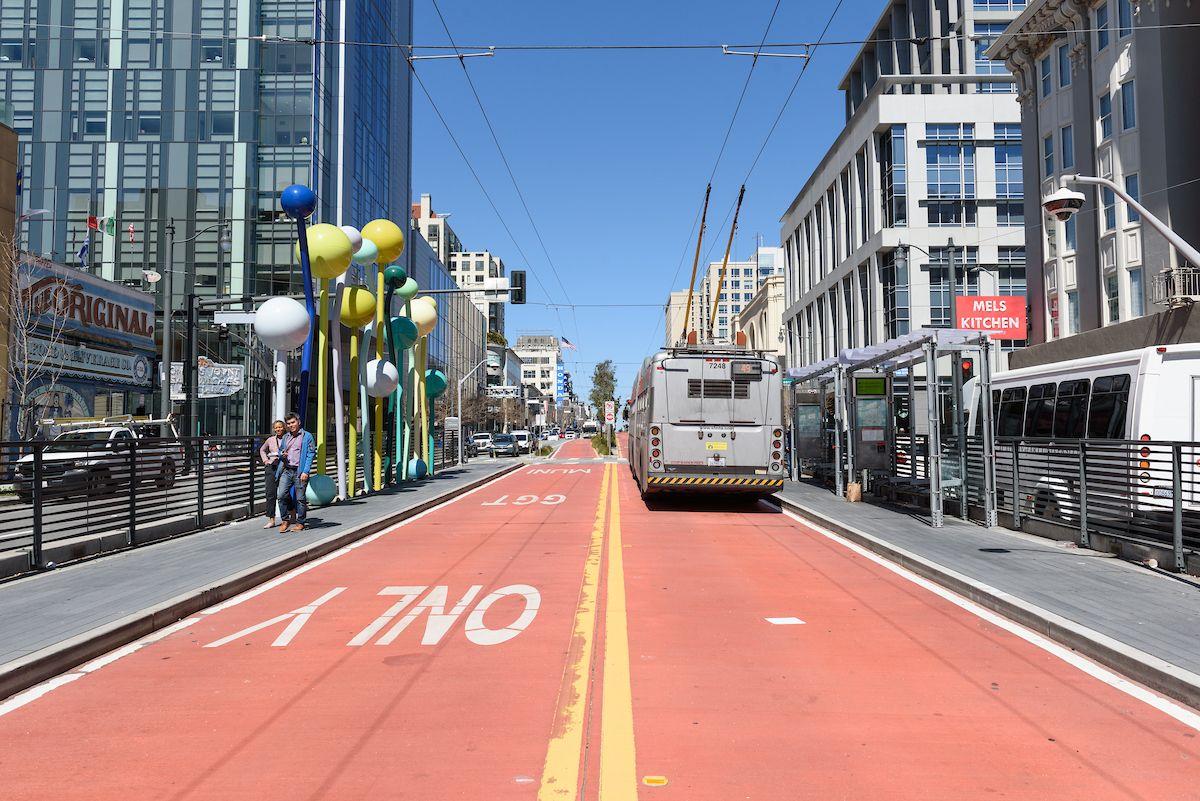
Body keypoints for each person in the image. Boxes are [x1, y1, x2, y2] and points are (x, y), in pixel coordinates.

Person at [275, 411, 316, 533]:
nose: (291, 425)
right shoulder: (286, 437)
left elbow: (310, 454)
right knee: (281, 495)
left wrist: (306, 471)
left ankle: (300, 522)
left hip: (299, 471)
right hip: (287, 470)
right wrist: (282, 454)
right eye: (288, 423)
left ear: (298, 422)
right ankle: (285, 520)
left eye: (293, 422)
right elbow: (280, 451)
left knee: (300, 498)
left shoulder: (307, 436)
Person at [258, 420, 286, 529]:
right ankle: (271, 519)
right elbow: (262, 450)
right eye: (276, 427)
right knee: (270, 494)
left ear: (284, 428)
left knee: (285, 494)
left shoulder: (288, 438)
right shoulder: (270, 440)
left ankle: (288, 517)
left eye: (280, 427)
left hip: (284, 467)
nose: (278, 429)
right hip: (272, 467)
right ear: (274, 429)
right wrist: (265, 461)